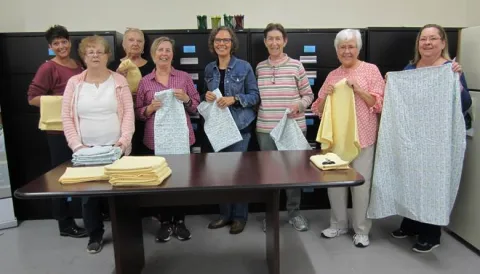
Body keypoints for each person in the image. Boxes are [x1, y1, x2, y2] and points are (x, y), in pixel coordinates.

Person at [389, 24, 472, 253]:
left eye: (433, 39)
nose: (427, 43)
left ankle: (431, 234)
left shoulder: (450, 69)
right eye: (423, 39)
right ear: (418, 43)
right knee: (412, 180)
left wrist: (458, 84)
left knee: (433, 184)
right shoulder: (410, 68)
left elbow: (465, 105)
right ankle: (411, 224)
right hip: (413, 139)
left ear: (443, 43)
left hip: (437, 142)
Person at [311, 29, 385, 248]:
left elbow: (379, 104)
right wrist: (326, 95)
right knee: (335, 184)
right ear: (336, 51)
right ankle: (338, 224)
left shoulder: (371, 71)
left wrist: (359, 90)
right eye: (342, 47)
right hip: (336, 142)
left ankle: (361, 230)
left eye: (350, 46)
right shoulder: (333, 76)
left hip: (363, 139)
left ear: (358, 48)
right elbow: (318, 109)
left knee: (361, 186)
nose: (347, 50)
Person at [62, 35, 135, 254]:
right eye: (89, 52)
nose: (94, 55)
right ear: (83, 56)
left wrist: (122, 143)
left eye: (99, 51)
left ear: (107, 56)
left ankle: (127, 234)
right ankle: (95, 234)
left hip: (116, 149)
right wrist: (77, 147)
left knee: (121, 194)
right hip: (86, 152)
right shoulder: (74, 84)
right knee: (89, 198)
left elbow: (129, 114)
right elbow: (66, 117)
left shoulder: (119, 81)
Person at [135, 36, 200, 243]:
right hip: (155, 140)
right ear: (153, 55)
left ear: (172, 54)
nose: (164, 54)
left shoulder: (183, 78)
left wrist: (187, 99)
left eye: (167, 50)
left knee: (180, 181)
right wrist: (149, 108)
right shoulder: (145, 81)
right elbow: (138, 112)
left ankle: (179, 221)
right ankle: (164, 222)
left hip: (180, 138)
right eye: (160, 50)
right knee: (159, 183)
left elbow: (196, 105)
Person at [27, 25, 86, 239]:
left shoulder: (77, 65)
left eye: (64, 41)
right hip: (58, 131)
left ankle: (86, 216)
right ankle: (65, 224)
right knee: (61, 176)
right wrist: (64, 102)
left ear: (69, 42)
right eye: (56, 43)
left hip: (79, 129)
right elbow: (32, 98)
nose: (61, 46)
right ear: (50, 47)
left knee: (81, 174)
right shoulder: (48, 68)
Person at [256, 23, 314, 232]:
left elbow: (309, 95)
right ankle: (270, 215)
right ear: (265, 42)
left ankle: (294, 214)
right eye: (270, 39)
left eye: (277, 38)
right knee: (269, 175)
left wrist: (299, 104)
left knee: (294, 173)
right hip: (266, 129)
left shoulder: (296, 66)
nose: (274, 42)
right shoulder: (260, 67)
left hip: (292, 128)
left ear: (285, 41)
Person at [203, 26, 260, 234]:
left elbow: (255, 96)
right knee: (220, 175)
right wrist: (207, 96)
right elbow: (207, 96)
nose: (222, 44)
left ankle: (239, 216)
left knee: (238, 175)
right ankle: (225, 215)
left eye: (226, 40)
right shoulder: (209, 69)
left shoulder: (244, 67)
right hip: (217, 129)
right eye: (218, 40)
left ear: (232, 43)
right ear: (213, 43)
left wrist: (235, 99)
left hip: (239, 128)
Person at [109, 28, 155, 156]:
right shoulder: (112, 67)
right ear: (123, 44)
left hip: (146, 120)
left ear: (144, 46)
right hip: (120, 121)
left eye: (139, 41)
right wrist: (117, 78)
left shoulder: (152, 67)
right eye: (131, 40)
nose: (135, 43)